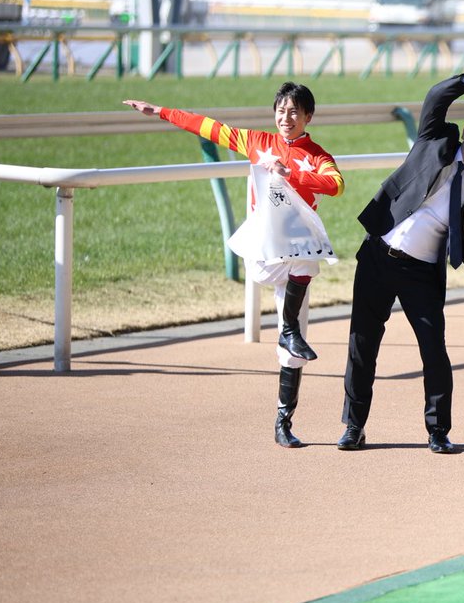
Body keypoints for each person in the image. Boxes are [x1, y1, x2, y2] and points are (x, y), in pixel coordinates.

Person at [123, 83, 344, 449]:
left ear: (308, 117)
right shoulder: (256, 141)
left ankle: (283, 421)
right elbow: (206, 126)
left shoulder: (318, 154)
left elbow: (335, 185)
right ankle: (289, 328)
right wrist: (159, 110)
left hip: (295, 264)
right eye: (280, 111)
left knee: (294, 351)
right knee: (310, 259)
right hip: (264, 254)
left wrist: (291, 173)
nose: (285, 119)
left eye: (293, 113)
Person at [337, 69, 464, 454]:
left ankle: (438, 431)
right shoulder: (434, 141)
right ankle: (353, 427)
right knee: (362, 344)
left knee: (434, 351)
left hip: (421, 273)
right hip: (378, 257)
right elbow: (436, 98)